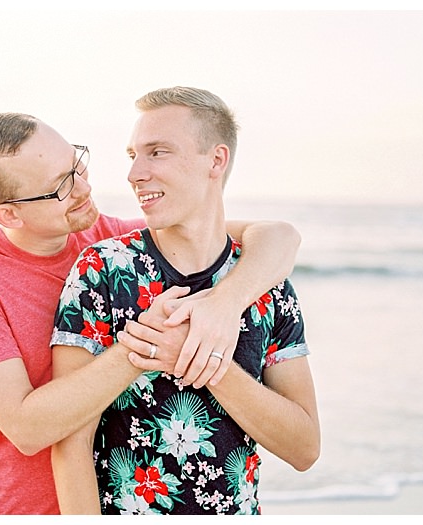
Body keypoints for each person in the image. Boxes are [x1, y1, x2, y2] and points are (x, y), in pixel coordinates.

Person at [0, 111, 301, 514]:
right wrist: (142, 346)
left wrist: (224, 305)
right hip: (22, 509)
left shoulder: (111, 241)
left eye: (77, 165)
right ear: (9, 215)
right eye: (61, 188)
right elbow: (28, 427)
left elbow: (278, 236)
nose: (83, 189)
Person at [50, 87, 321, 515]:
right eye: (132, 155)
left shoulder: (265, 287)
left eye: (157, 153)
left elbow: (304, 448)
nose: (135, 173)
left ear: (216, 161)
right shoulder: (103, 271)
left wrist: (206, 361)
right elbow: (69, 440)